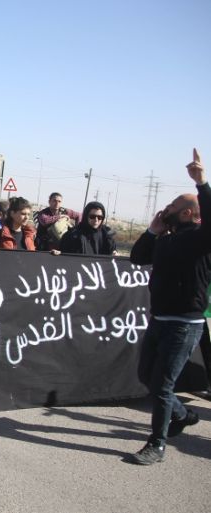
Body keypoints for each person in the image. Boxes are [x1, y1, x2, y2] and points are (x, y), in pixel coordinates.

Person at [127, 149, 209, 465]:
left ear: (188, 213)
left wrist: (201, 183)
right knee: (147, 376)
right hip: (159, 319)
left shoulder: (201, 239)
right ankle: (182, 414)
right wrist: (152, 231)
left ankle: (156, 445)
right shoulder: (165, 239)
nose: (166, 209)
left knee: (162, 385)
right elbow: (137, 258)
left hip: (184, 325)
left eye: (172, 206)